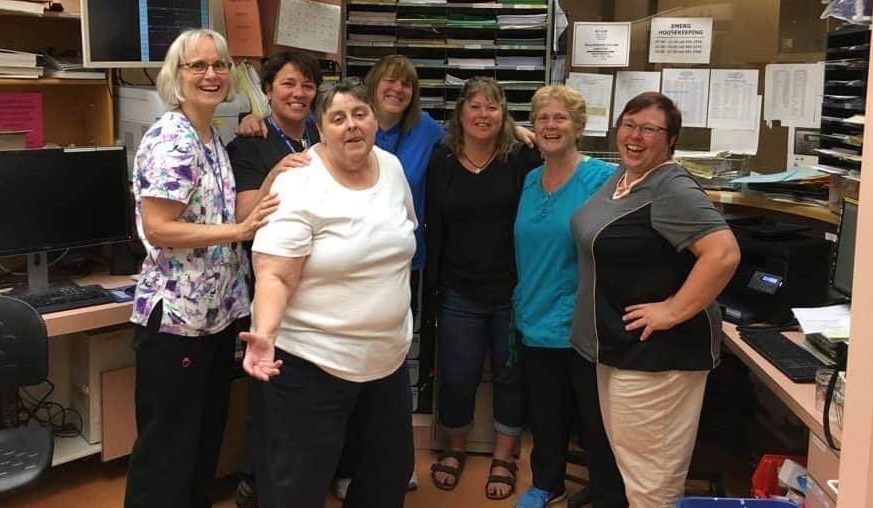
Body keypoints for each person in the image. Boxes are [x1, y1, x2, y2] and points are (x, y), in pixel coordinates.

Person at [239, 79, 417, 508]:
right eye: (338, 118)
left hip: (386, 363)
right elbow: (274, 275)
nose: (351, 126)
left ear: (375, 120)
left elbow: (403, 238)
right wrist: (265, 331)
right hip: (312, 367)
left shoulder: (391, 167)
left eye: (360, 114)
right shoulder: (299, 182)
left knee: (385, 482)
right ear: (320, 128)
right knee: (295, 490)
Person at [124, 28, 278, 508]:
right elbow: (159, 227)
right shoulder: (173, 139)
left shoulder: (210, 136)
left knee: (202, 442)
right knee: (167, 451)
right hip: (176, 322)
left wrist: (277, 174)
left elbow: (219, 212)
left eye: (219, 65)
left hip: (214, 315)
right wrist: (237, 232)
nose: (211, 75)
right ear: (177, 75)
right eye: (197, 66)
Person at [569, 91, 741, 508]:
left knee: (653, 487)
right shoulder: (624, 178)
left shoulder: (670, 187)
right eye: (629, 125)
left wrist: (672, 310)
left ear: (670, 139)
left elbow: (723, 253)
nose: (635, 136)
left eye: (649, 129)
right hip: (618, 348)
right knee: (634, 473)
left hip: (657, 360)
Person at [425, 76, 542, 500]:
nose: (483, 114)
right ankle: (455, 448)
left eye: (492, 107)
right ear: (460, 113)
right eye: (474, 106)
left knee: (511, 377)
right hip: (458, 290)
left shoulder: (522, 156)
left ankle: (504, 455)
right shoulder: (442, 158)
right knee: (457, 377)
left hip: (513, 289)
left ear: (504, 113)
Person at [512, 85, 627, 508]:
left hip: (583, 322)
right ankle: (548, 483)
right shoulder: (528, 179)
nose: (550, 125)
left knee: (596, 421)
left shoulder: (600, 178)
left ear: (578, 126)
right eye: (543, 118)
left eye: (560, 118)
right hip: (534, 317)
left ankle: (608, 495)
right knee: (545, 414)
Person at [225, 50, 320, 508]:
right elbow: (244, 217)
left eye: (306, 85)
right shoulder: (251, 143)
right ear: (266, 91)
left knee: (305, 393)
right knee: (270, 389)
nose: (298, 93)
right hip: (269, 282)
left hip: (316, 288)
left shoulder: (324, 134)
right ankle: (255, 480)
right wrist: (275, 176)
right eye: (287, 84)